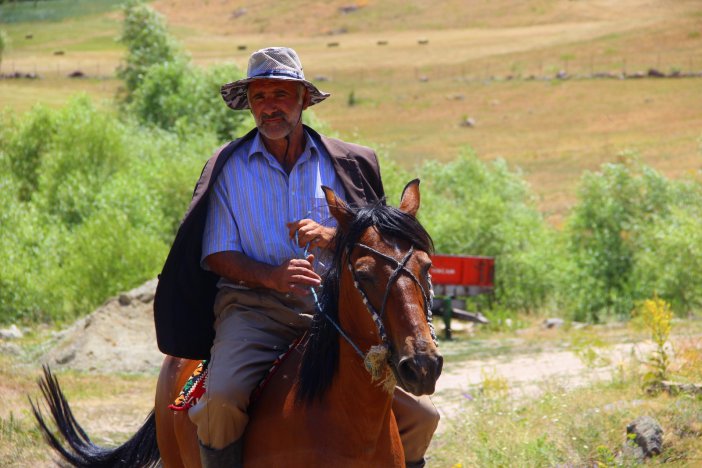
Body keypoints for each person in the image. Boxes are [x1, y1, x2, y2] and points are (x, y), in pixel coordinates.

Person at [153, 46, 439, 468]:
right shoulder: (228, 167)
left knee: (421, 418)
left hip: (336, 316)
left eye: (281, 94)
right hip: (253, 311)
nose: (270, 107)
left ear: (304, 99)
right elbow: (215, 254)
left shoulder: (350, 162)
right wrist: (272, 276)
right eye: (259, 97)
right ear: (249, 104)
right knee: (223, 403)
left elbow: (376, 242)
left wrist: (332, 234)